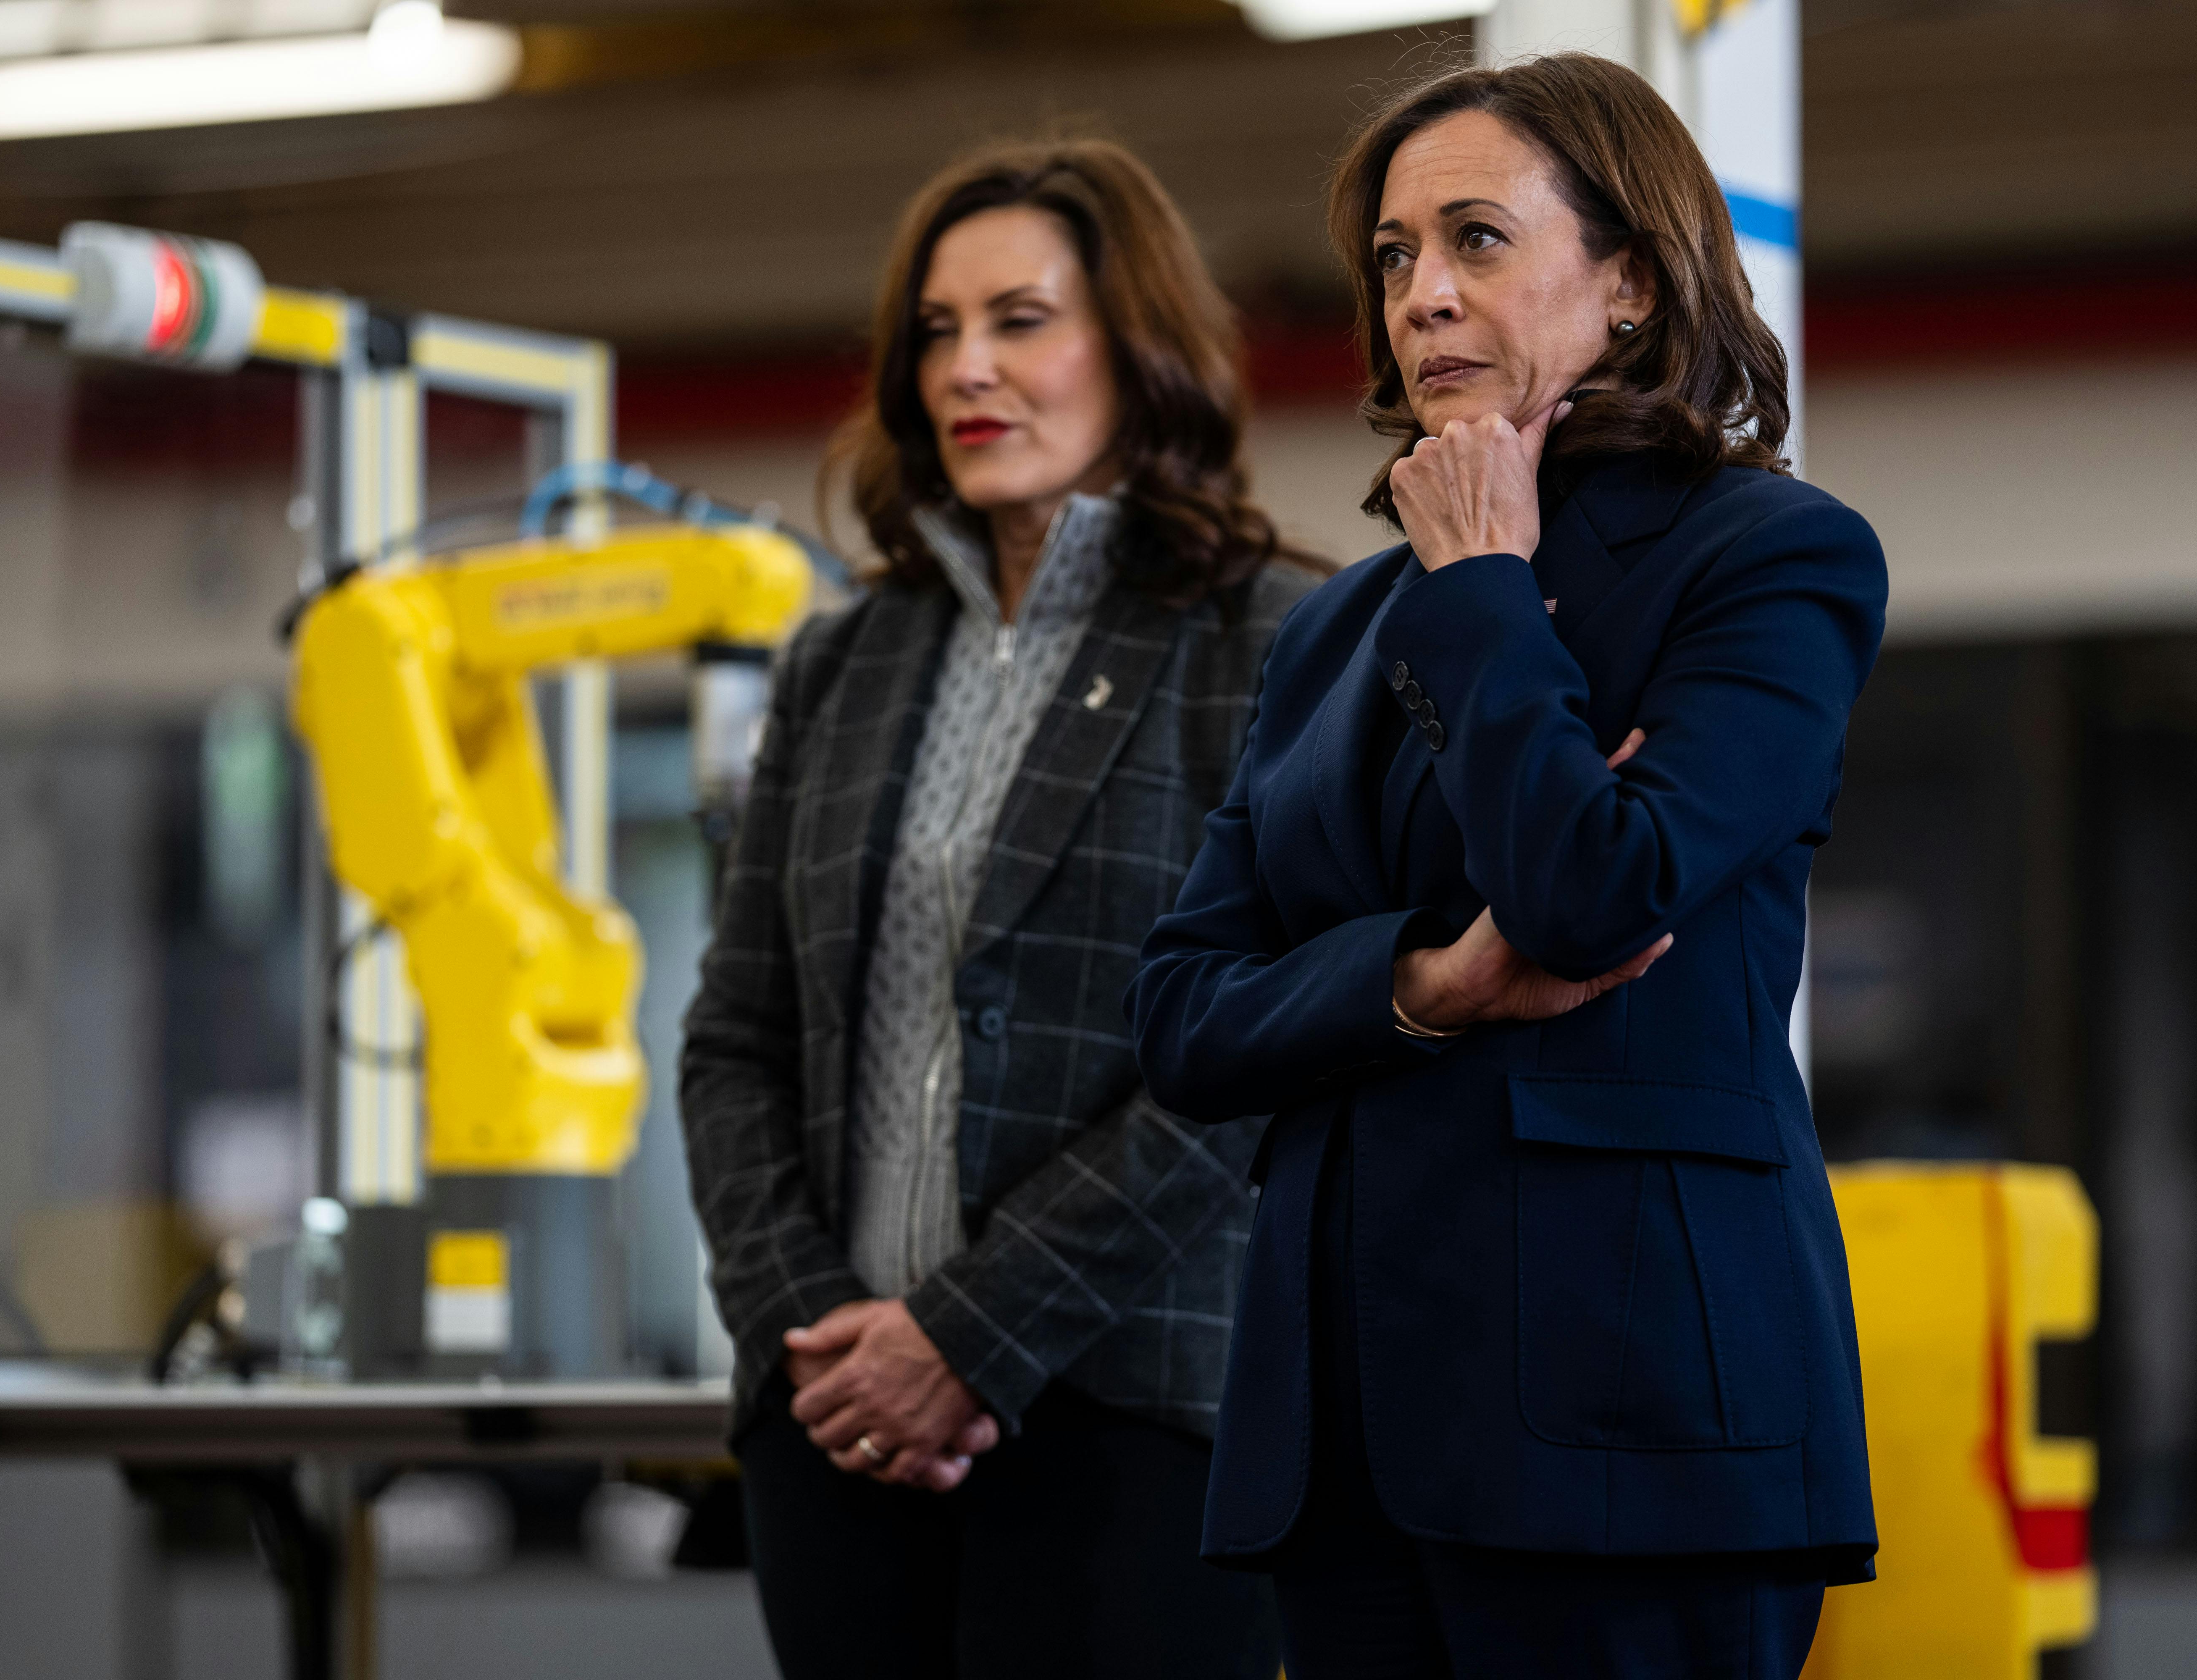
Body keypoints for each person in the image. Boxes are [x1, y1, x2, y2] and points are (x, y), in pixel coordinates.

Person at [1127, 53, 1884, 1680]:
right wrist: (1421, 983)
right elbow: (1184, 1011)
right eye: (1394, 258)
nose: (1424, 296)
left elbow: (1593, 894)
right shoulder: (1335, 626)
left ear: (1627, 279)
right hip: (1339, 1439)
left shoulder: (1771, 557)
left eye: (1475, 238)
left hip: (1630, 1427)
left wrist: (1482, 579)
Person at [678, 138, 1317, 1680]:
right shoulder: (842, 662)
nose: (970, 366)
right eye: (938, 331)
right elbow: (733, 1044)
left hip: (1133, 1421)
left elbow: (1256, 1064)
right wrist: (815, 1337)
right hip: (835, 1437)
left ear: (1140, 345)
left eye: (1021, 319)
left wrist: (968, 1334)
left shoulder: (1275, 636)